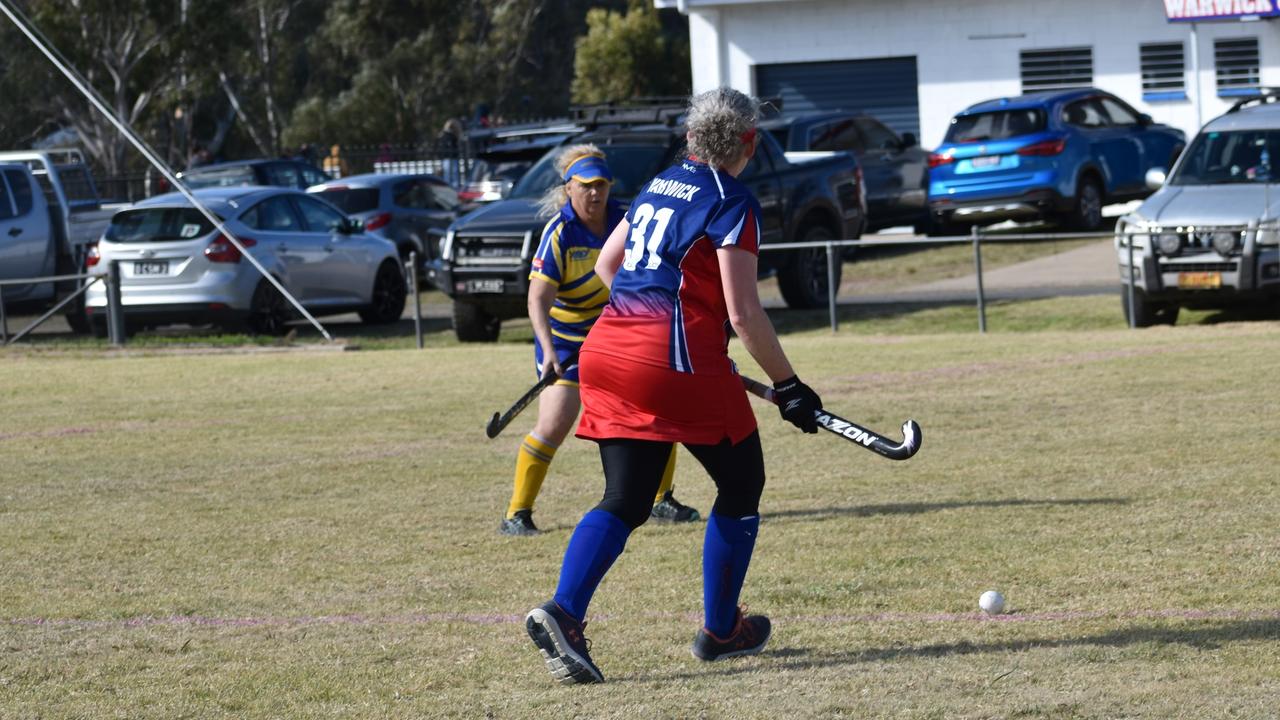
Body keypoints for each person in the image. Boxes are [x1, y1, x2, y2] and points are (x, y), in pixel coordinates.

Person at [523, 88, 823, 684]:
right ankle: (720, 630)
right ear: (750, 142)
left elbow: (611, 267)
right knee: (742, 484)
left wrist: (655, 325)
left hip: (607, 348)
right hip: (673, 358)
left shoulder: (661, 184)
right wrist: (788, 386)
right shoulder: (732, 201)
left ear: (690, 138)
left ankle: (564, 612)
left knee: (627, 498)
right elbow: (743, 313)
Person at [500, 144, 701, 537]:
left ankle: (661, 498)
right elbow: (537, 298)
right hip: (563, 339)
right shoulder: (560, 232)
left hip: (616, 331)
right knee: (555, 423)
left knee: (658, 406)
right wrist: (547, 353)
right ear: (568, 188)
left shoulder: (624, 219)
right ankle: (517, 512)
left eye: (602, 185)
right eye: (586, 186)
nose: (595, 193)